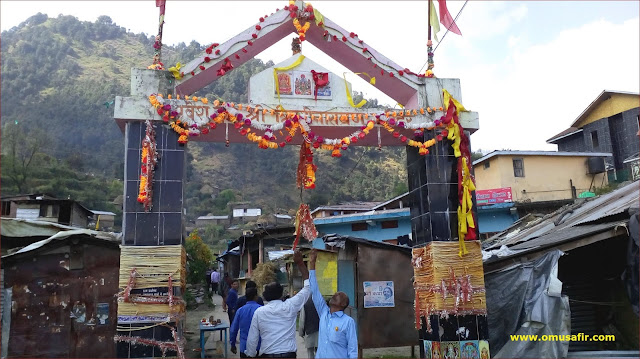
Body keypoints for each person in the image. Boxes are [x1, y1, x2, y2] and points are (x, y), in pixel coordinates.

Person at [245, 250, 310, 358]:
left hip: (267, 355)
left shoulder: (259, 312)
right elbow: (308, 287)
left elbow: (252, 338)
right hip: (288, 355)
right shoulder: (290, 306)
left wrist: (250, 355)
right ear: (281, 294)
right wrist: (300, 263)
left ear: (265, 296)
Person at [308, 249, 358, 358]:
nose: (335, 294)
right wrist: (312, 263)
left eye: (339, 295)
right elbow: (314, 290)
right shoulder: (323, 313)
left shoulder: (348, 322)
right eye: (336, 293)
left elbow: (353, 350)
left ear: (343, 304)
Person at [230, 287, 262, 358]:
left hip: (244, 347)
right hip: (259, 347)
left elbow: (233, 330)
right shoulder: (261, 310)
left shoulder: (240, 311)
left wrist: (232, 344)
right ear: (256, 297)